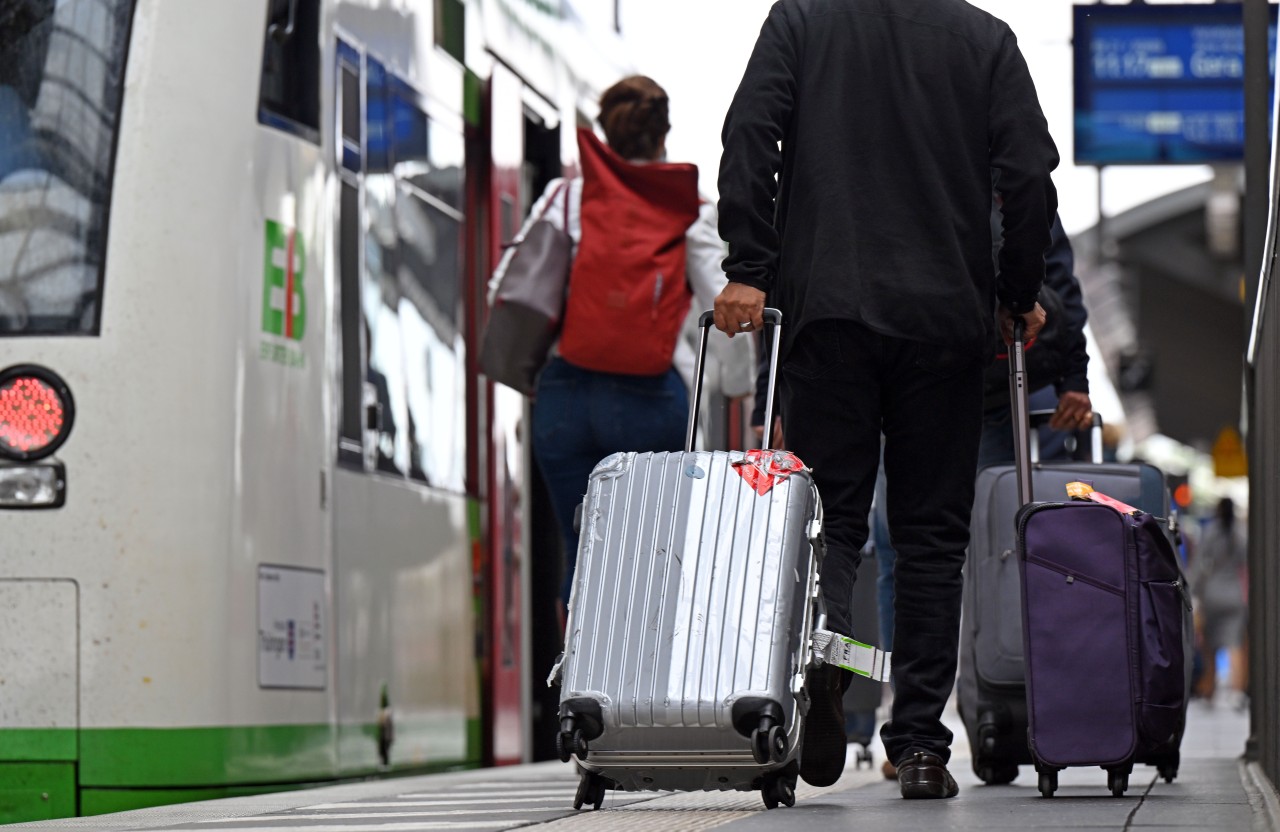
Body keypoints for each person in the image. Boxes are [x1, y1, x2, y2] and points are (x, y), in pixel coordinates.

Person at [714, 0, 1058, 800]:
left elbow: (747, 133)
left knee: (829, 522)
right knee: (931, 541)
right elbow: (1029, 174)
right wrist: (1016, 290)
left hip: (828, 307)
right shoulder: (985, 39)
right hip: (943, 320)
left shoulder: (801, 19)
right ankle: (919, 747)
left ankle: (821, 668)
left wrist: (750, 262)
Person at [503, 76, 753, 613]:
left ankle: (577, 691)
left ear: (607, 134)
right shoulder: (688, 211)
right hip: (650, 400)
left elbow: (512, 285)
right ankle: (635, 691)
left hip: (564, 397)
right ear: (663, 136)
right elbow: (722, 307)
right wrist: (737, 386)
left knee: (581, 554)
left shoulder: (567, 198)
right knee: (651, 561)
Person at [1188, 497, 1249, 707]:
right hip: (1235, 594)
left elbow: (1199, 564)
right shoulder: (1240, 532)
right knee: (1236, 645)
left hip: (1212, 594)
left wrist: (1192, 591)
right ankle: (1237, 691)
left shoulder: (1211, 531)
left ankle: (1210, 690)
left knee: (1210, 646)